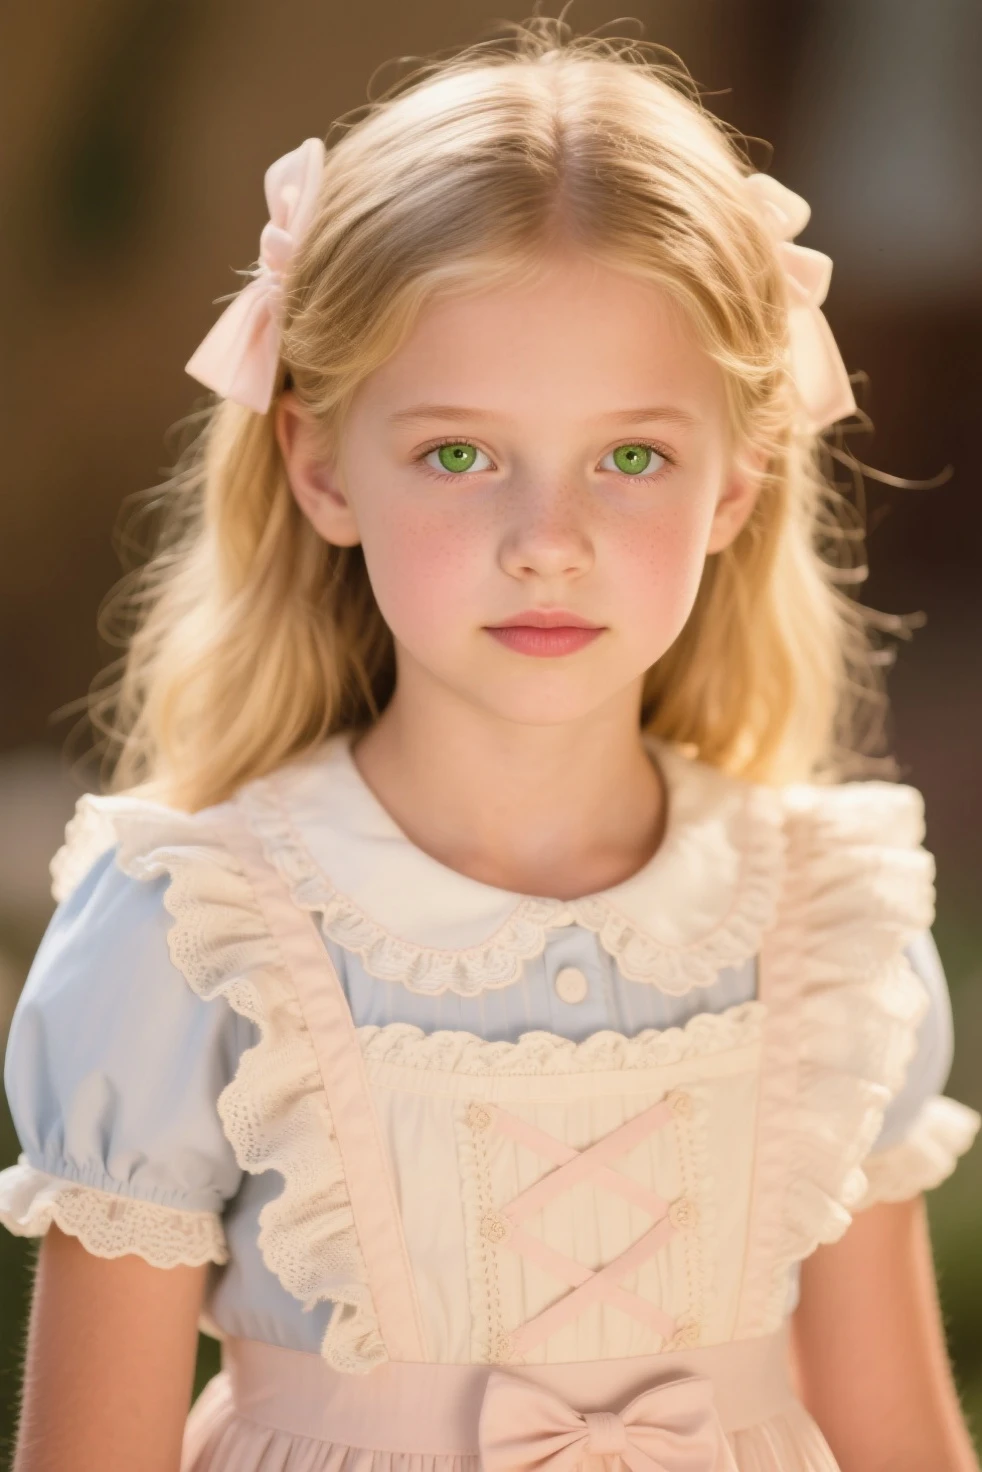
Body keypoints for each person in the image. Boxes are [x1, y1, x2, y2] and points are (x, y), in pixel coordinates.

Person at [1, 15, 979, 1472]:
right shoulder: (188, 931)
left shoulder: (826, 924)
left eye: (630, 457)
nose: (547, 545)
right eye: (457, 453)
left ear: (735, 484)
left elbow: (901, 1440)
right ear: (321, 463)